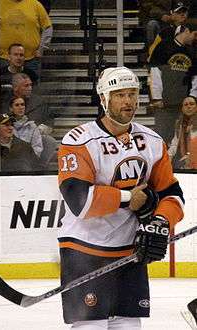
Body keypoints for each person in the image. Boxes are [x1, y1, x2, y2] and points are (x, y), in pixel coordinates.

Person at [57, 66, 185, 329]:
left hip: (130, 251)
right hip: (85, 250)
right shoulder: (79, 141)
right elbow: (79, 201)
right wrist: (130, 198)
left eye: (132, 94)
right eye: (119, 95)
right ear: (104, 99)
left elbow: (172, 194)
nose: (128, 101)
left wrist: (160, 221)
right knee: (89, 326)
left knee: (129, 326)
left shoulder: (151, 140)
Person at [0, 0, 53, 74]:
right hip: (4, 58)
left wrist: (42, 48)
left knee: (29, 85)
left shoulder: (35, 4)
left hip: (30, 59)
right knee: (5, 85)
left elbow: (47, 27)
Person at [168, 95, 197, 169]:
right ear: (182, 108)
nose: (189, 107)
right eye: (186, 105)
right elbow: (175, 142)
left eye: (191, 104)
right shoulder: (179, 123)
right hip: (186, 161)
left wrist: (191, 156)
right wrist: (168, 156)